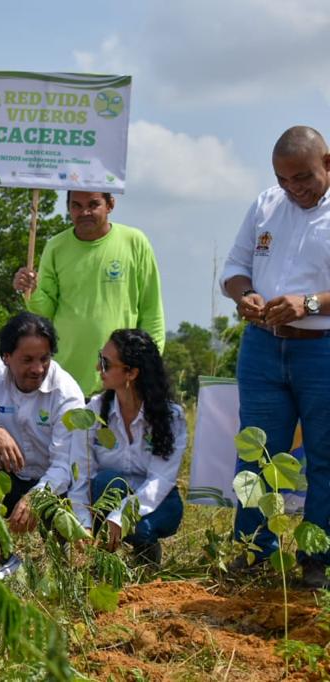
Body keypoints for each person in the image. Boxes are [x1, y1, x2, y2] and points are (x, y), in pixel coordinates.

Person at [221, 125, 330, 588]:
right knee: (257, 452)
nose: (294, 188)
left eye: (303, 177)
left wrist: (308, 304)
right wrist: (245, 295)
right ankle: (252, 552)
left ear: (328, 163)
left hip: (322, 350)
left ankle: (317, 560)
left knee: (325, 458)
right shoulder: (266, 204)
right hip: (263, 349)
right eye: (284, 179)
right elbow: (233, 270)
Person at [13, 191, 165, 395]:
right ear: (68, 209)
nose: (84, 212)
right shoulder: (56, 246)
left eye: (93, 205)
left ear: (110, 204)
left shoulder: (135, 242)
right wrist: (31, 290)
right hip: (66, 377)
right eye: (76, 205)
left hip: (120, 376)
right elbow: (45, 313)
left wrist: (149, 364)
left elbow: (151, 309)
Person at [0, 313, 84, 547]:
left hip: (55, 489)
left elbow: (65, 465)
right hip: (10, 480)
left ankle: (60, 549)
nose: (37, 369)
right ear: (6, 357)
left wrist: (37, 497)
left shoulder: (67, 393)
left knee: (61, 560)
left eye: (44, 359)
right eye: (27, 360)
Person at [68, 330, 185, 565]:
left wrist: (121, 515)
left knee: (141, 526)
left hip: (156, 501)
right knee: (106, 481)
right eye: (100, 359)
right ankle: (105, 557)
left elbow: (161, 480)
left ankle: (145, 551)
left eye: (105, 363)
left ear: (131, 373)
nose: (97, 368)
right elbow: (80, 472)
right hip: (107, 495)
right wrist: (83, 523)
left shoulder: (170, 417)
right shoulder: (94, 412)